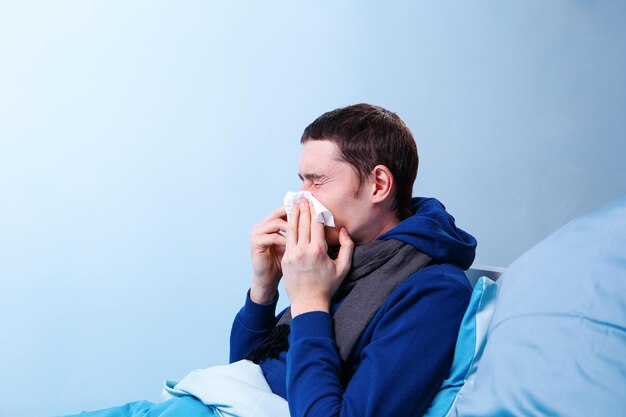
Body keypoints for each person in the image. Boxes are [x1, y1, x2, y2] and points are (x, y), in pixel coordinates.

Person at [59, 104, 476, 417]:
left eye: (318, 181)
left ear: (379, 184)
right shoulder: (337, 254)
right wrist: (265, 288)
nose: (299, 198)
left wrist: (310, 300)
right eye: (300, 181)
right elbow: (251, 370)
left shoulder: (431, 289)